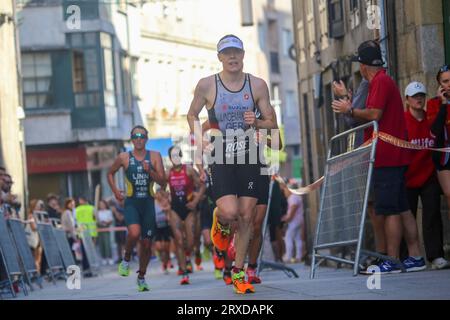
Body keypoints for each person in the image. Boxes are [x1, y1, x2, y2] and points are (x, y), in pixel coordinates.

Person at [187, 34, 277, 294]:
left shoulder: (257, 85)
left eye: (236, 52)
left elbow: (271, 123)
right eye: (227, 53)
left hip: (249, 154)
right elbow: (192, 113)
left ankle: (238, 272)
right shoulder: (207, 85)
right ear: (220, 58)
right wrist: (198, 138)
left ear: (243, 55)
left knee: (247, 215)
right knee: (228, 212)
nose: (232, 57)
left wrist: (258, 122)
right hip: (221, 154)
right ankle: (219, 221)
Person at [331, 40, 426, 273]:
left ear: (363, 66)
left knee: (389, 210)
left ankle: (392, 260)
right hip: (391, 155)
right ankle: (415, 256)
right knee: (402, 208)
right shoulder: (380, 81)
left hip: (387, 156)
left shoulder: (380, 81)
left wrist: (349, 109)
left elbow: (374, 113)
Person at [108, 125, 166, 292]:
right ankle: (126, 259)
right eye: (135, 136)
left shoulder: (154, 156)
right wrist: (116, 192)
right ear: (131, 139)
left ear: (146, 138)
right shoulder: (124, 157)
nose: (138, 139)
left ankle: (141, 277)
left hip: (148, 203)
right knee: (134, 233)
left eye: (141, 136)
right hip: (132, 202)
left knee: (147, 244)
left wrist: (151, 172)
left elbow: (163, 182)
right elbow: (110, 173)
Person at [403, 82, 450, 270]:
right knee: (408, 217)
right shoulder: (402, 121)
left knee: (432, 214)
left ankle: (436, 256)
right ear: (407, 100)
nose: (419, 99)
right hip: (408, 176)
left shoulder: (431, 117)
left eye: (421, 95)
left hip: (429, 174)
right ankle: (406, 257)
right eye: (414, 96)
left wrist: (442, 102)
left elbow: (438, 129)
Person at [166, 146, 205, 285]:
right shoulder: (168, 173)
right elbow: (160, 188)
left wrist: (195, 201)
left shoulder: (188, 170)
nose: (175, 158)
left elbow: (202, 185)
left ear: (181, 156)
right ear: (170, 158)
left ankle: (189, 255)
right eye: (172, 156)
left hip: (189, 209)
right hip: (175, 209)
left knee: (190, 241)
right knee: (179, 241)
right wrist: (165, 203)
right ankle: (184, 272)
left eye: (177, 155)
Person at [428, 64, 450, 220]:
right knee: (449, 194)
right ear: (440, 84)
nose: (449, 84)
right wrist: (443, 105)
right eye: (446, 81)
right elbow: (435, 130)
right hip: (444, 156)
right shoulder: (433, 103)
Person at [281, 182, 304, 264]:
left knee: (288, 238)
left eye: (286, 190)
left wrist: (288, 218)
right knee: (297, 238)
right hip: (299, 220)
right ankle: (299, 256)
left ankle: (288, 256)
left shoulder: (293, 197)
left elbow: (293, 208)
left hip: (294, 221)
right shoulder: (297, 197)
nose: (285, 192)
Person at [153, 189, 172, 275]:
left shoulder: (165, 201)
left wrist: (165, 210)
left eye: (159, 193)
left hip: (165, 226)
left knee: (166, 247)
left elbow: (169, 209)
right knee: (159, 247)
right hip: (156, 226)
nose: (157, 195)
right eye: (156, 194)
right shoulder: (153, 202)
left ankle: (166, 262)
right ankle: (163, 260)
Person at [96, 199, 114, 266]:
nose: (101, 205)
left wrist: (106, 222)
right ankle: (103, 258)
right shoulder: (97, 212)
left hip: (106, 228)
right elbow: (96, 220)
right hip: (100, 228)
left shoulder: (108, 212)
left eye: (103, 204)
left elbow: (111, 220)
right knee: (101, 244)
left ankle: (109, 257)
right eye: (100, 204)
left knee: (107, 244)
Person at [61, 198, 78, 262]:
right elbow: (71, 226)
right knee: (71, 252)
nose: (72, 205)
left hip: (69, 235)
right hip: (68, 235)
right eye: (71, 204)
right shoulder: (67, 212)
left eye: (73, 204)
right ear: (67, 204)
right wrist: (75, 237)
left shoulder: (70, 212)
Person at [110, 198, 126, 264]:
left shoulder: (126, 208)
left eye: (121, 200)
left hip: (124, 228)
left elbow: (120, 218)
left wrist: (115, 211)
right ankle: (120, 258)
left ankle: (125, 257)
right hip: (117, 227)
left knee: (124, 243)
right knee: (118, 243)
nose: (119, 202)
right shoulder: (117, 207)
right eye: (118, 200)